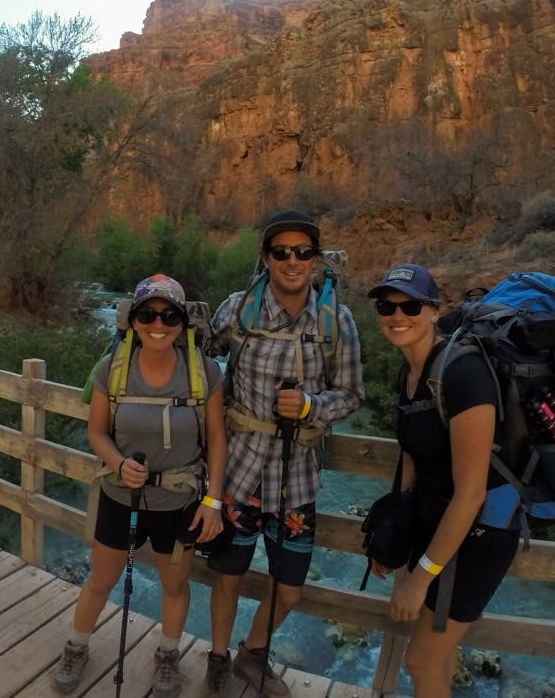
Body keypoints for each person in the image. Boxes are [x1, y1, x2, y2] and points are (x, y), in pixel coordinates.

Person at [203, 209, 364, 696]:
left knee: (289, 586)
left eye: (303, 252)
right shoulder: (237, 309)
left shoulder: (337, 320)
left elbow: (353, 394)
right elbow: (201, 353)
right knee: (228, 575)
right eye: (281, 252)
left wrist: (312, 405)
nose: (293, 261)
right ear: (267, 258)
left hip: (297, 478)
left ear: (316, 260)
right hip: (238, 470)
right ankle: (216, 657)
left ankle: (253, 653)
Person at [51, 274, 227, 698]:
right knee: (100, 579)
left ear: (184, 322)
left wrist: (213, 501)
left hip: (181, 501)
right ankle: (76, 646)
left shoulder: (204, 373)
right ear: (133, 320)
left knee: (173, 584)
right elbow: (96, 432)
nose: (158, 324)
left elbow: (219, 438)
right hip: (120, 494)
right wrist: (118, 463)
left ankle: (167, 656)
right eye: (147, 314)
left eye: (170, 316)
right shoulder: (111, 368)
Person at [366, 264, 519, 698]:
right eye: (386, 306)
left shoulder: (463, 374)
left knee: (422, 658)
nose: (397, 315)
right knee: (439, 654)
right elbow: (414, 455)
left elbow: (471, 493)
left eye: (410, 305)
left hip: (483, 528)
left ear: (435, 312)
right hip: (438, 520)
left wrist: (419, 580)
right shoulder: (411, 371)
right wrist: (394, 532)